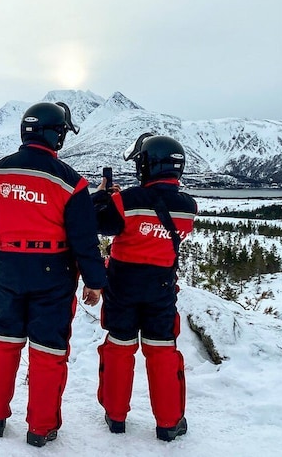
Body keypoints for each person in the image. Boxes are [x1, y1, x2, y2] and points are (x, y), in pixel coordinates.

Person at [0, 101, 107, 447]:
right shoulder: (71, 183)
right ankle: (41, 428)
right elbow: (84, 241)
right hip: (53, 273)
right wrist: (95, 282)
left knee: (2, 342)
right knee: (48, 351)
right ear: (55, 135)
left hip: (8, 268)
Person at [92, 132, 197, 442]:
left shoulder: (128, 200)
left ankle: (115, 416)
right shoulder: (188, 207)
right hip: (161, 287)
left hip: (123, 283)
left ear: (147, 166)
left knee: (119, 349)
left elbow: (101, 222)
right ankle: (168, 422)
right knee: (162, 352)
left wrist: (103, 196)